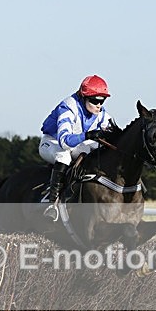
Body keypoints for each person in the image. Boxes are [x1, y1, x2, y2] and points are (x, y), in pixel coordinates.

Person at [39, 74, 115, 221]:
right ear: (83, 96)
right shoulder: (68, 107)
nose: (99, 104)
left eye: (103, 100)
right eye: (95, 100)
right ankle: (52, 204)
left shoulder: (102, 114)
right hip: (52, 142)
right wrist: (87, 135)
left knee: (95, 150)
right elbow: (64, 141)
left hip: (74, 143)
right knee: (64, 155)